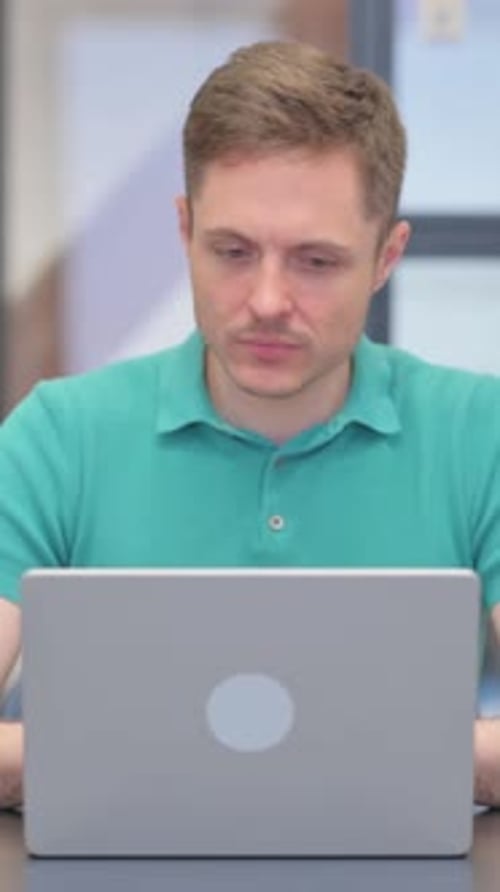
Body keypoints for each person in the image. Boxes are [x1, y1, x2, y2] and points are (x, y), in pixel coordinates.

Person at [1, 40, 499, 810]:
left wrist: (122, 758)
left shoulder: (481, 434)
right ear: (183, 230)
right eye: (232, 251)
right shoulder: (57, 439)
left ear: (386, 256)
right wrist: (390, 755)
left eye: (315, 262)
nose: (267, 299)